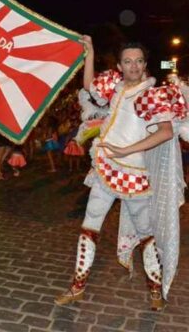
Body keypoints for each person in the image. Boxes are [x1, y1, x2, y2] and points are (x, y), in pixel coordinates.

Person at [55, 36, 187, 311]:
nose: (134, 66)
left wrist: (127, 150)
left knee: (145, 234)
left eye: (138, 61)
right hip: (105, 167)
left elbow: (164, 133)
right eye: (128, 61)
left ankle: (154, 288)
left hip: (134, 173)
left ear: (144, 63)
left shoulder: (153, 94)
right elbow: (89, 87)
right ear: (120, 65)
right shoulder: (115, 86)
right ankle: (77, 286)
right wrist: (89, 52)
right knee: (89, 225)